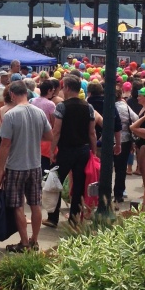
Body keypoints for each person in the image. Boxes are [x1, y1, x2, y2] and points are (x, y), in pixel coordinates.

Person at [0, 80, 52, 252]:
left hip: (15, 166)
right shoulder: (39, 112)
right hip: (35, 165)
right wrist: (32, 137)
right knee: (35, 204)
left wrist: (0, 170)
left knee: (17, 205)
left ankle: (24, 242)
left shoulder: (11, 115)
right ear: (26, 93)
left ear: (12, 94)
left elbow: (5, 145)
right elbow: (49, 136)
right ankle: (34, 240)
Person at [45, 74, 97, 228]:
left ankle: (53, 217)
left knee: (56, 183)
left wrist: (52, 149)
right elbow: (92, 133)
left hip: (66, 150)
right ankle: (74, 218)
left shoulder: (62, 107)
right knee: (79, 184)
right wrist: (93, 152)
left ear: (67, 87)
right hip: (83, 150)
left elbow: (57, 131)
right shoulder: (88, 107)